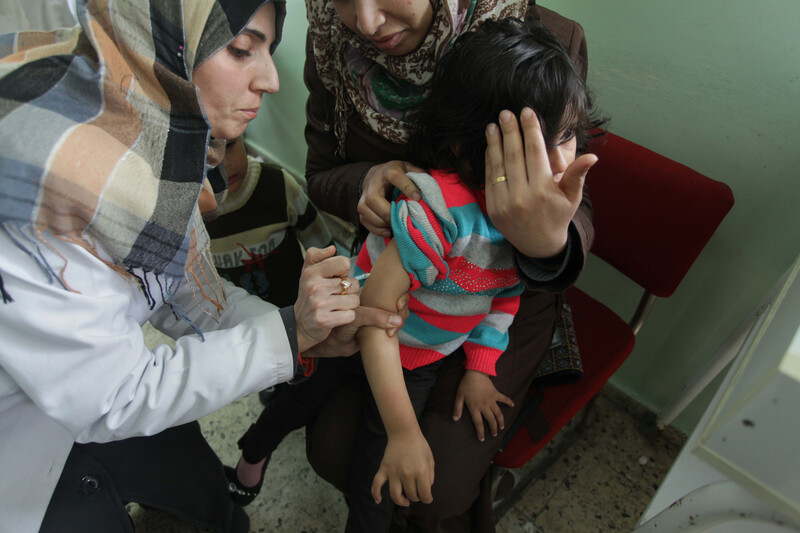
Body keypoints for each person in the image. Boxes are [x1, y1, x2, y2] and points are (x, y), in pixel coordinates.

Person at [0, 1, 404, 532]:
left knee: (208, 501)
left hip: (110, 409)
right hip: (25, 437)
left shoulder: (153, 137)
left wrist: (301, 332)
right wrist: (289, 334)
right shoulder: (38, 195)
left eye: (268, 51)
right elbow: (113, 397)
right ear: (164, 43)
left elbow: (188, 291)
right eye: (241, 49)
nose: (270, 80)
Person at [227, 11, 601, 533]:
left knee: (420, 486)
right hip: (386, 315)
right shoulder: (440, 213)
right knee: (327, 433)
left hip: (440, 334)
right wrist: (372, 181)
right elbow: (374, 313)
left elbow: (505, 291)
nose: (367, 19)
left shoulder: (546, 47)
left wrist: (542, 246)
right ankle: (255, 453)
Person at [206, 135, 333, 308]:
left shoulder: (278, 183)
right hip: (240, 322)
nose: (224, 164)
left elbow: (320, 243)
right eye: (206, 155)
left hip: (297, 308)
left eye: (229, 145)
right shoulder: (193, 209)